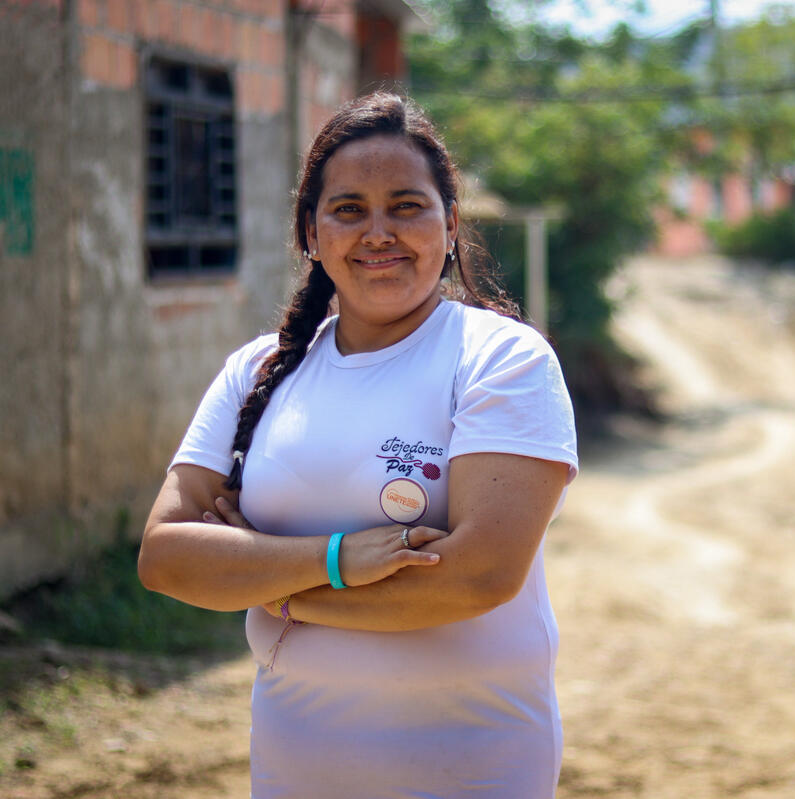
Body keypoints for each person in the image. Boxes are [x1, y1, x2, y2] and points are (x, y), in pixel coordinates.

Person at [138, 91, 578, 799]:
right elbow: (164, 557)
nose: (379, 232)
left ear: (450, 224)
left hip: (473, 765)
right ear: (310, 232)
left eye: (406, 205)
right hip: (295, 766)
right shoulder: (255, 372)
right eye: (349, 209)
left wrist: (268, 589)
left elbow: (477, 577)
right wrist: (336, 560)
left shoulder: (501, 360)